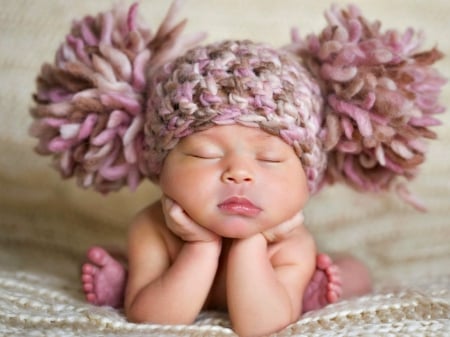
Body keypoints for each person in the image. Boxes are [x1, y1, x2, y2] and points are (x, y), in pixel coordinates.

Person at [29, 2, 445, 337]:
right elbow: (155, 320)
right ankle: (129, 280)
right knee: (143, 291)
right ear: (159, 166)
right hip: (174, 274)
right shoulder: (153, 227)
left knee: (353, 272)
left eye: (269, 159)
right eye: (205, 154)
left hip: (276, 285)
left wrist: (250, 245)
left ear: (309, 179)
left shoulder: (291, 242)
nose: (239, 174)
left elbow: (261, 326)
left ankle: (312, 288)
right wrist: (200, 246)